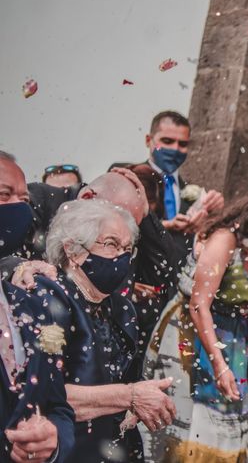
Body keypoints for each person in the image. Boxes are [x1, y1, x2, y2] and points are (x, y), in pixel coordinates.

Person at [142, 184, 248, 462]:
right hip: (193, 336)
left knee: (223, 432)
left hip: (233, 341)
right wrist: (219, 365)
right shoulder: (224, 240)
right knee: (190, 428)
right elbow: (199, 305)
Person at [33, 198, 177, 462]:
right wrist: (128, 396)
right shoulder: (47, 300)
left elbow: (116, 380)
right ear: (74, 251)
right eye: (111, 244)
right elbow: (43, 391)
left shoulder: (121, 308)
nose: (121, 257)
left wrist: (128, 411)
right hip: (63, 449)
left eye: (128, 249)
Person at [0, 151, 75, 463]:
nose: (20, 208)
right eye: (5, 195)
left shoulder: (36, 304)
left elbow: (58, 404)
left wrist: (53, 438)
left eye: (24, 199)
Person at [143, 111, 223, 238]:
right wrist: (165, 225)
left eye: (183, 144)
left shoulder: (193, 195)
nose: (175, 149)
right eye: (167, 141)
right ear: (148, 140)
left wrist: (214, 211)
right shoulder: (127, 174)